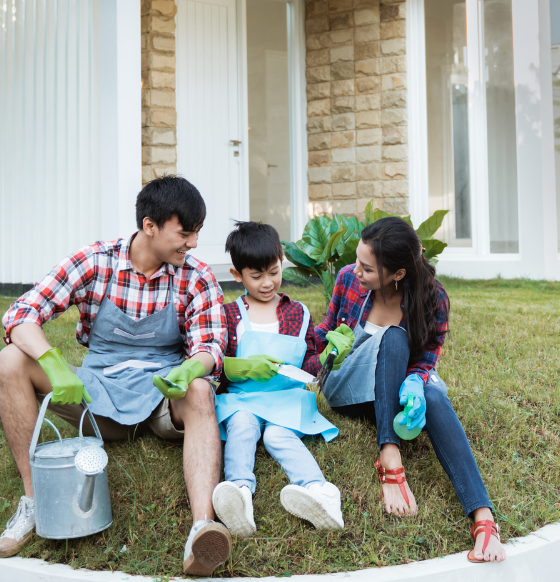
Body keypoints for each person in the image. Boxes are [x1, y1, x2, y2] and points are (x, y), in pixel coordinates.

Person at [0, 175, 233, 576]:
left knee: (200, 390)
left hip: (160, 397)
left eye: (196, 234)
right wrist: (52, 362)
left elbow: (210, 345)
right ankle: (35, 503)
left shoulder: (197, 276)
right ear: (149, 226)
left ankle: (201, 530)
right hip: (95, 397)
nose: (192, 244)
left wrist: (192, 368)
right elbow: (20, 315)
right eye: (185, 233)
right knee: (10, 360)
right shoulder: (95, 261)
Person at [315, 215, 506, 563]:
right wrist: (323, 348)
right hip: (347, 387)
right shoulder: (347, 279)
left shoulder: (434, 298)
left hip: (395, 392)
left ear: (397, 273)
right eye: (358, 261)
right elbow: (323, 334)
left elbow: (426, 360)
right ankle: (389, 455)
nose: (356, 270)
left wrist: (416, 381)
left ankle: (484, 520)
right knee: (393, 335)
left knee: (432, 392)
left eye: (368, 268)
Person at [210, 221, 355, 536]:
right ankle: (239, 494)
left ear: (281, 264)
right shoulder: (229, 316)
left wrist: (332, 355)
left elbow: (309, 365)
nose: (267, 283)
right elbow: (216, 366)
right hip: (243, 399)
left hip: (287, 399)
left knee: (278, 436)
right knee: (243, 425)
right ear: (237, 275)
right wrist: (241, 367)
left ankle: (322, 493)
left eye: (273, 272)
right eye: (256, 275)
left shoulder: (298, 314)